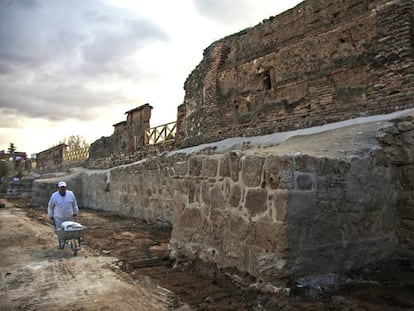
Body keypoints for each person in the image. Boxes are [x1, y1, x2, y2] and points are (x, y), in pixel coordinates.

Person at [47, 181, 79, 248]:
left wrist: (75, 212)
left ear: (66, 188)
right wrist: (51, 215)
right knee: (61, 231)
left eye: (64, 188)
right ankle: (61, 243)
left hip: (69, 216)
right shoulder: (54, 196)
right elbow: (50, 206)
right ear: (59, 188)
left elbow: (74, 204)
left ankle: (71, 242)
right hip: (59, 218)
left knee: (70, 230)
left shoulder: (70, 194)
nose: (63, 189)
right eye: (61, 188)